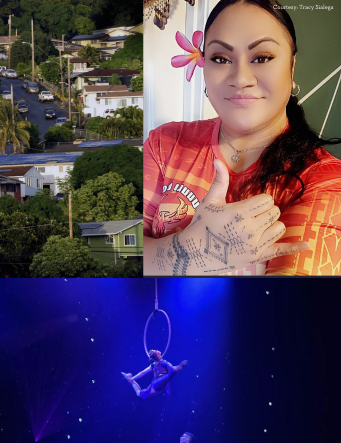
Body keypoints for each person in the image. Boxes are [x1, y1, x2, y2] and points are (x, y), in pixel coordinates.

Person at [143, 0, 341, 276]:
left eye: (261, 58)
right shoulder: (166, 142)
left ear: (292, 67)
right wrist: (189, 250)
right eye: (221, 59)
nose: (241, 78)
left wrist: (169, 256)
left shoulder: (326, 180)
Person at [121, 350, 188, 399]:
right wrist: (168, 391)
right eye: (156, 351)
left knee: (138, 393)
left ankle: (129, 379)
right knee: (138, 393)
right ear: (157, 355)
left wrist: (168, 390)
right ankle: (176, 368)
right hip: (156, 384)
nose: (158, 350)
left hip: (156, 384)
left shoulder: (161, 363)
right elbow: (142, 373)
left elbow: (143, 373)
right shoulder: (155, 364)